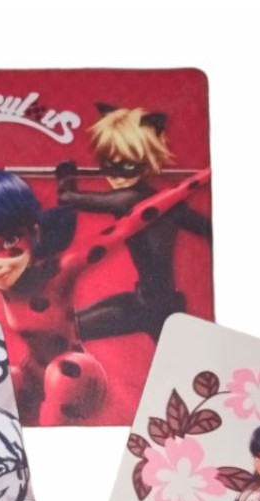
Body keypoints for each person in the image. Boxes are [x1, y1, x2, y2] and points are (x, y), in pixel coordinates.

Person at [0, 165, 210, 424]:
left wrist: (198, 178)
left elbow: (133, 221)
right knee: (4, 381)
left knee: (61, 377)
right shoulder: (5, 281)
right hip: (35, 374)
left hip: (77, 376)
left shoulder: (60, 270)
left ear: (34, 231)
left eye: (9, 242)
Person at [57, 103, 212, 342]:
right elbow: (207, 228)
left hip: (151, 309)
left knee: (65, 330)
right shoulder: (167, 203)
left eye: (128, 166)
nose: (116, 176)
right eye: (108, 165)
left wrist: (65, 174)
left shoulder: (129, 199)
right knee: (68, 324)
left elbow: (67, 198)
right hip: (154, 301)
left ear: (147, 163)